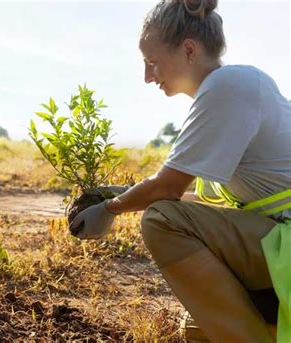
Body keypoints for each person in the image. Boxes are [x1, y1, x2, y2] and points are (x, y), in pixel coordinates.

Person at [70, 0, 290, 341]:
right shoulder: (235, 89)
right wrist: (118, 193)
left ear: (188, 50)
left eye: (152, 62)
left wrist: (110, 209)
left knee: (161, 220)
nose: (147, 77)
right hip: (278, 238)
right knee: (197, 329)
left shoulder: (229, 85)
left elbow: (168, 190)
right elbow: (196, 200)